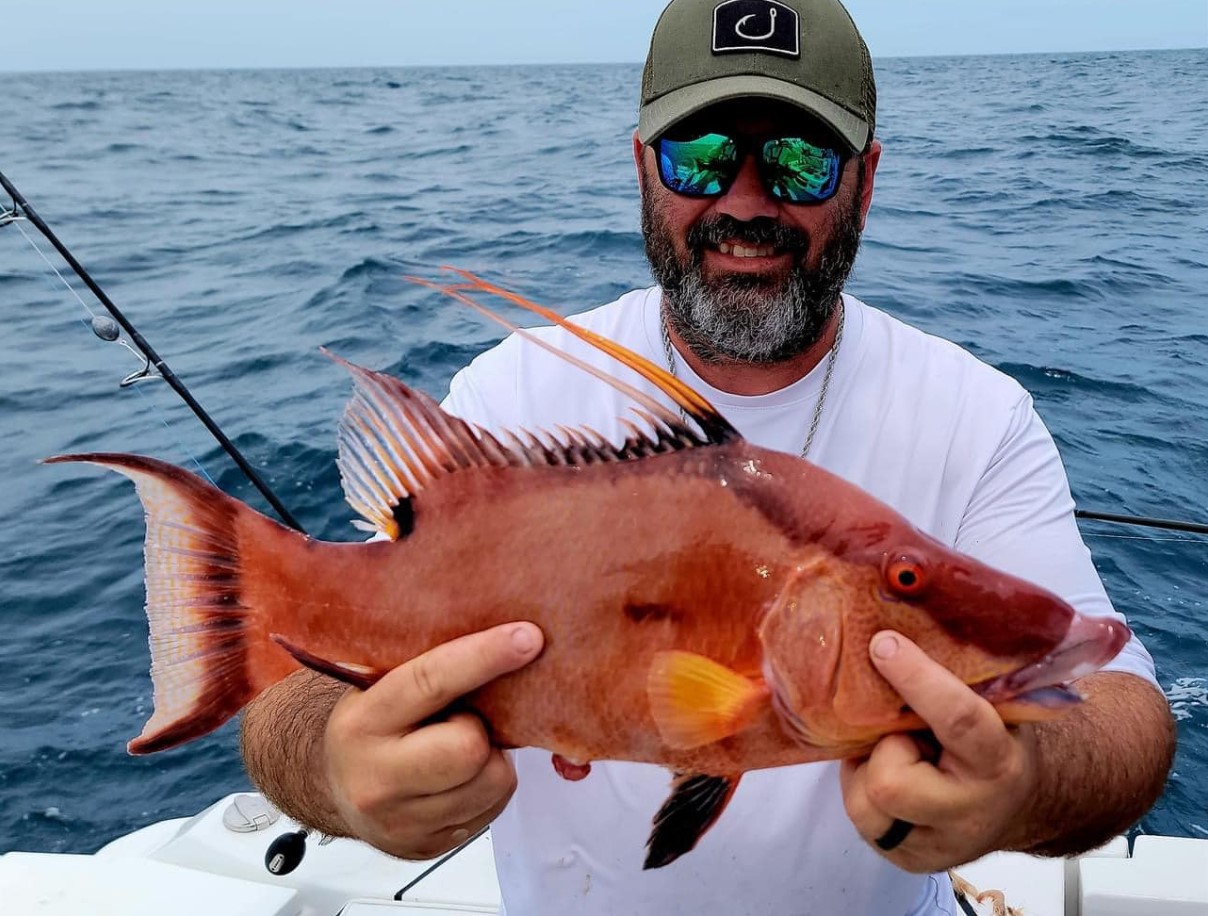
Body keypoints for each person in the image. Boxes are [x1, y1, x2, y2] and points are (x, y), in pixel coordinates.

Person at [241, 0, 1176, 912]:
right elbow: (290, 701)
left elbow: (1119, 706)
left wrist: (1024, 778)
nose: (745, 202)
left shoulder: (976, 414)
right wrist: (335, 765)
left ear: (868, 177)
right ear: (644, 168)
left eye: (801, 163)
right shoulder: (512, 393)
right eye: (702, 158)